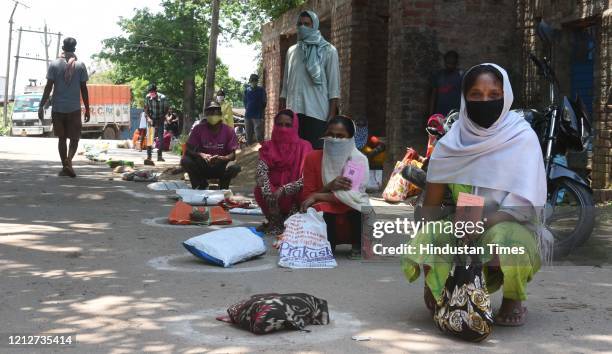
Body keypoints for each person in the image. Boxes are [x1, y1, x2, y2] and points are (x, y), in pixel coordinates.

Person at [402, 64, 549, 327]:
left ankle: (513, 298)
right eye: (476, 94)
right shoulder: (451, 143)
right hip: (461, 219)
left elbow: (526, 203)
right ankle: (440, 290)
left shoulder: (522, 138)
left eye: (494, 95)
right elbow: (432, 205)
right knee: (429, 235)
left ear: (506, 97)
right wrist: (430, 259)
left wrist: (481, 222)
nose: (485, 101)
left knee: (506, 241)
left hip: (509, 222)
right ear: (464, 99)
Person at [300, 116, 370, 258]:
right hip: (326, 207)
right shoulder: (313, 158)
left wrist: (317, 195)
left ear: (350, 138)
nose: (334, 139)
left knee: (358, 207)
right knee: (321, 208)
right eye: (330, 135)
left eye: (340, 136)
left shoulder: (358, 160)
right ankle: (327, 245)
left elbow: (351, 196)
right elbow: (307, 195)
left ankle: (358, 245)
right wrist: (329, 186)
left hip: (350, 207)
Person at [280, 10, 340, 150]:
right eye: (299, 24)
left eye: (307, 24)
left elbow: (334, 87)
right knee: (293, 157)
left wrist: (331, 116)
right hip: (293, 114)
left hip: (317, 113)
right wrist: (283, 112)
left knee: (313, 157)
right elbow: (285, 85)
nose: (302, 27)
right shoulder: (292, 51)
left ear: (315, 26)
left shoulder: (328, 50)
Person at [255, 109, 312, 239]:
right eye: (279, 125)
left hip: (295, 195)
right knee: (259, 188)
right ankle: (275, 222)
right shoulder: (268, 146)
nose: (283, 129)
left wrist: (284, 189)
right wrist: (268, 190)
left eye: (288, 125)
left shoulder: (305, 146)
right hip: (274, 196)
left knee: (306, 192)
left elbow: (307, 178)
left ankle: (290, 224)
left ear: (295, 126)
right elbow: (260, 171)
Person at [38, 37, 89, 178]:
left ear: (63, 47)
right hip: (74, 108)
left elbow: (48, 87)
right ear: (75, 48)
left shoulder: (54, 64)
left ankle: (65, 165)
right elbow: (84, 89)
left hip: (58, 108)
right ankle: (68, 162)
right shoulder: (80, 65)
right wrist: (88, 108)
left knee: (62, 138)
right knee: (74, 138)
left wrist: (41, 105)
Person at [181, 102, 241, 190]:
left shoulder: (229, 131)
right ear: (206, 114)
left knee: (234, 167)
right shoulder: (198, 129)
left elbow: (233, 154)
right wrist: (201, 155)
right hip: (202, 165)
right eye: (210, 112)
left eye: (215, 112)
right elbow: (188, 149)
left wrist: (222, 158)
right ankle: (200, 184)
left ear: (220, 114)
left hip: (220, 166)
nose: (213, 114)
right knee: (185, 160)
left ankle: (224, 186)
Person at [429, 50, 463, 116]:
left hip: (456, 114)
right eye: (448, 63)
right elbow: (433, 95)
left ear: (456, 63)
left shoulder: (461, 76)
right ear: (445, 62)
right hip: (440, 113)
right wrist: (430, 113)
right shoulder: (438, 75)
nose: (450, 65)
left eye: (452, 63)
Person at [144, 84, 169, 164]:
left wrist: (162, 118)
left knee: (161, 138)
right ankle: (149, 156)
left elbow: (166, 109)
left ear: (156, 91)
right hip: (152, 119)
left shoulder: (163, 98)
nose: (151, 94)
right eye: (150, 92)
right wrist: (149, 118)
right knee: (150, 137)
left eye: (153, 92)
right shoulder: (148, 97)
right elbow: (146, 109)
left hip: (160, 118)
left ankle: (160, 156)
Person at [243, 74, 267, 145]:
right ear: (250, 81)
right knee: (248, 136)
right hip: (248, 116)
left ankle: (262, 151)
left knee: (259, 136)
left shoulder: (261, 90)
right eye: (252, 80)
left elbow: (264, 102)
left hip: (258, 117)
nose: (254, 81)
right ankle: (249, 153)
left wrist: (261, 115)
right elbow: (245, 102)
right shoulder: (247, 90)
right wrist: (248, 109)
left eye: (255, 80)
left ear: (257, 81)